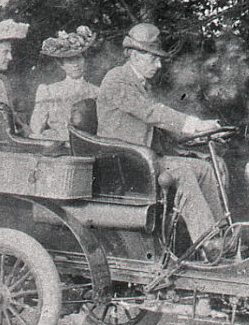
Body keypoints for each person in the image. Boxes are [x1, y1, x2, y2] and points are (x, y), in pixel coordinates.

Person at [97, 22, 229, 256]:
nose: (158, 65)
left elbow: (159, 125)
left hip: (143, 159)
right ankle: (208, 243)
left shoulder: (139, 84)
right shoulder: (116, 79)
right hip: (123, 163)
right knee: (182, 173)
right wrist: (194, 124)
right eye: (154, 58)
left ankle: (223, 235)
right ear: (136, 56)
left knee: (204, 168)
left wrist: (202, 133)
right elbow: (151, 113)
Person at [27, 26, 100, 141]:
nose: (76, 64)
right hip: (58, 147)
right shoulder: (49, 91)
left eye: (78, 58)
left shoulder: (97, 92)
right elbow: (36, 129)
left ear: (84, 60)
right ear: (62, 65)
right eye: (70, 60)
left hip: (87, 147)